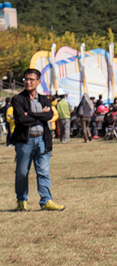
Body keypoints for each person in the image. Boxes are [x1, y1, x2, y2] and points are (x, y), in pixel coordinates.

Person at [10, 68, 65, 211]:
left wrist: (32, 115)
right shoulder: (18, 99)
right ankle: (21, 200)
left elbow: (49, 116)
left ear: (38, 82)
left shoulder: (44, 99)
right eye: (25, 79)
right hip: (25, 141)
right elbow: (21, 119)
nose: (27, 82)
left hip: (42, 140)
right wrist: (40, 115)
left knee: (44, 172)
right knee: (22, 172)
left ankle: (46, 200)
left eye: (31, 79)